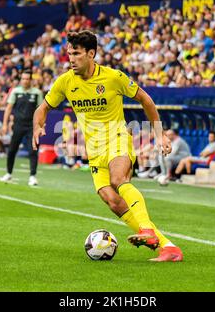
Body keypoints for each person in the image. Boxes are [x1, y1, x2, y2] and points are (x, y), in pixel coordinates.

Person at [33, 30, 183, 262]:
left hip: (118, 139)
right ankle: (168, 248)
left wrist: (159, 134)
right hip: (94, 151)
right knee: (112, 200)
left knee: (118, 179)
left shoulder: (113, 77)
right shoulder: (65, 82)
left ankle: (147, 230)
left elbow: (146, 99)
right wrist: (37, 126)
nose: (71, 59)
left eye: (76, 54)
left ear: (91, 54)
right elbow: (43, 108)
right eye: (69, 53)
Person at [0, 70, 43, 186]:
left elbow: (41, 110)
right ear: (21, 80)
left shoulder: (37, 93)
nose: (25, 81)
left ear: (31, 80)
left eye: (27, 79)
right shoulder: (15, 91)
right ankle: (8, 173)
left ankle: (32, 176)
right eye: (23, 79)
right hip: (18, 125)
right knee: (12, 150)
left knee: (33, 150)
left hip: (31, 126)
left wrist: (41, 126)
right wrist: (5, 124)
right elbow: (8, 108)